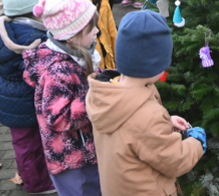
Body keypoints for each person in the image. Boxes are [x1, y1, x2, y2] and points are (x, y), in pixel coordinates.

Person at [86, 11, 206, 195]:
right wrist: (196, 142)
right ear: (156, 65)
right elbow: (176, 160)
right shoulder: (146, 117)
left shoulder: (106, 93)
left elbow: (133, 132)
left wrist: (166, 122)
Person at [0, 0, 55, 195]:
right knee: (31, 145)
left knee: (24, 143)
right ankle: (38, 183)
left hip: (10, 96)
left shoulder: (6, 27)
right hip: (25, 98)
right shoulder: (31, 37)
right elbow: (40, 70)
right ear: (32, 10)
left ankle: (30, 175)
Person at [23, 0, 102, 196]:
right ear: (71, 36)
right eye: (91, 28)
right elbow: (58, 118)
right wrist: (95, 98)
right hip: (72, 162)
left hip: (85, 153)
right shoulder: (56, 72)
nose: (97, 32)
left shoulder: (77, 55)